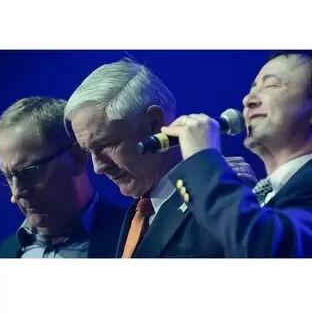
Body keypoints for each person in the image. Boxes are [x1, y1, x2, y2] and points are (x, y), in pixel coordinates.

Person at [64, 58, 257, 258]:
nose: (98, 167)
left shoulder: (222, 194)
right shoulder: (139, 211)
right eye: (89, 151)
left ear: (153, 122)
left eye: (106, 144)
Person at [161, 50, 312, 257]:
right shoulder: (256, 195)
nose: (247, 100)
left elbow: (268, 248)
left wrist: (203, 161)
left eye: (271, 85)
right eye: (252, 88)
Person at [0, 96, 126, 258]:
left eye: (28, 172)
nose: (17, 191)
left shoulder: (135, 236)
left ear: (77, 157)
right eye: (8, 176)